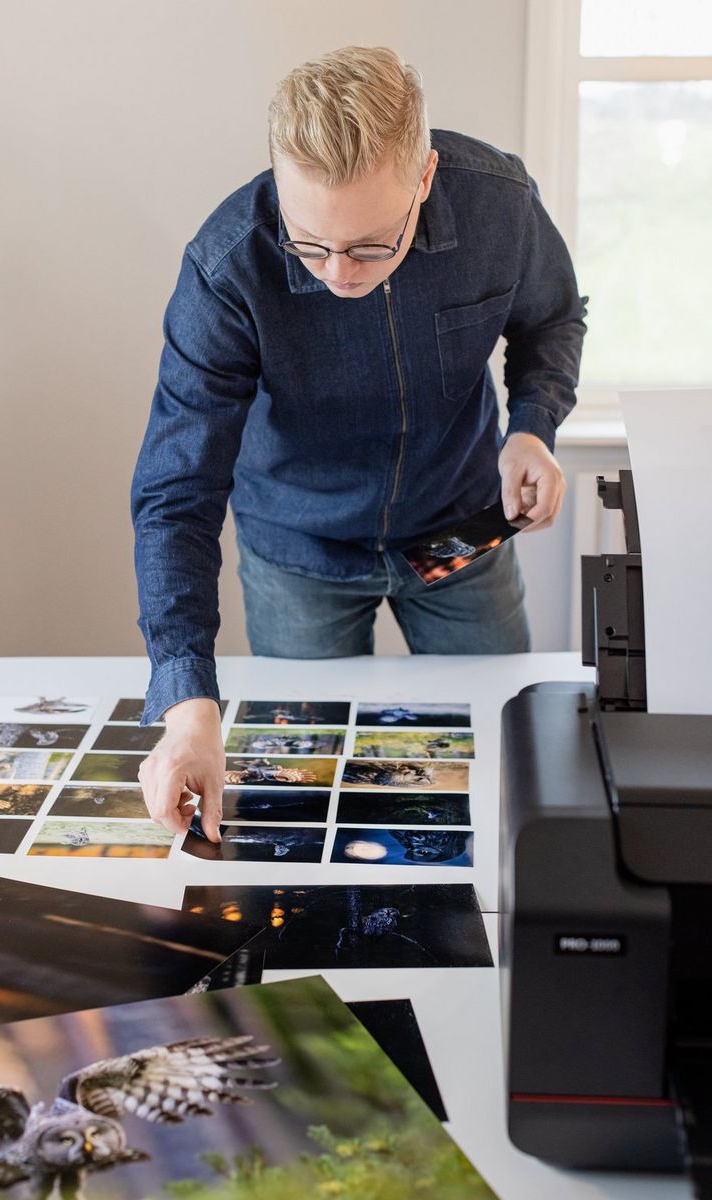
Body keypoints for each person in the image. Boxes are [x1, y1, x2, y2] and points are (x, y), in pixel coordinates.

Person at [131, 46, 587, 841]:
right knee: (308, 801)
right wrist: (188, 703)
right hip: (299, 550)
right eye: (310, 244)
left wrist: (532, 426)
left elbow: (552, 318)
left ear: (424, 176)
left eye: (374, 245)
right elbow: (177, 491)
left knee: (505, 776)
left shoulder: (499, 205)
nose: (340, 273)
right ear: (278, 181)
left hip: (461, 528)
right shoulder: (226, 266)